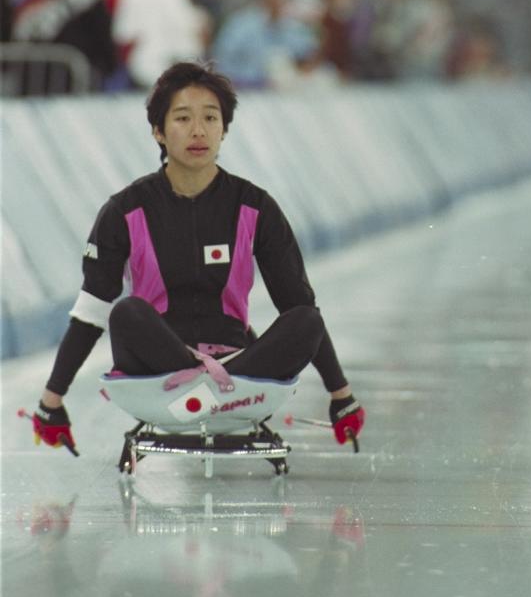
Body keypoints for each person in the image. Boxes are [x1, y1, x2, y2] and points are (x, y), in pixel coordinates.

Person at [31, 61, 365, 455]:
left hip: (238, 367)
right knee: (127, 312)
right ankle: (214, 390)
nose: (198, 130)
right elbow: (91, 312)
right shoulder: (124, 210)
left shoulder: (254, 207)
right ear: (158, 131)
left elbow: (297, 304)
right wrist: (52, 400)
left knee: (306, 319)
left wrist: (340, 394)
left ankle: (213, 389)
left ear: (225, 129)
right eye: (183, 118)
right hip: (158, 371)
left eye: (211, 118)